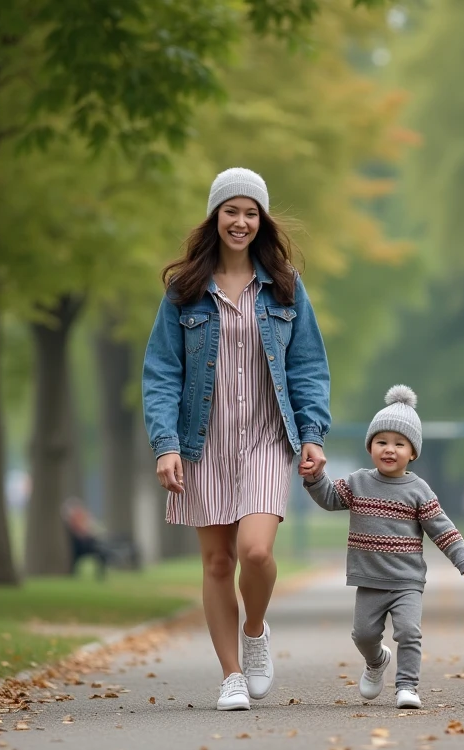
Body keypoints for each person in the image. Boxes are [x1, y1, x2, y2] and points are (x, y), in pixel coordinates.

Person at [142, 168, 331, 711]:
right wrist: (167, 444)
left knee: (255, 551)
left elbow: (308, 366)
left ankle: (255, 631)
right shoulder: (184, 292)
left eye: (251, 213)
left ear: (262, 221)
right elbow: (161, 373)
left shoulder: (285, 286)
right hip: (203, 443)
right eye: (232, 211)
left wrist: (313, 433)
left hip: (268, 440)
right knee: (218, 562)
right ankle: (231, 675)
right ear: (215, 217)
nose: (241, 222)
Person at [303, 385, 464, 710]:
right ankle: (376, 661)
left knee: (409, 631)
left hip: (407, 582)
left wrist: (463, 558)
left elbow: (442, 528)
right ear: (370, 446)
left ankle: (407, 686)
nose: (389, 450)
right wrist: (315, 478)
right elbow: (328, 498)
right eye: (381, 442)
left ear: (412, 452)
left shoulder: (418, 490)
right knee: (363, 635)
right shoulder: (358, 482)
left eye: (399, 444)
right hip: (369, 580)